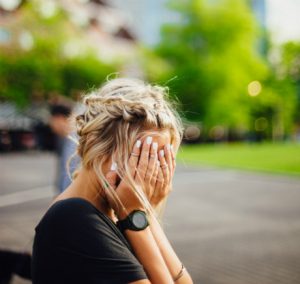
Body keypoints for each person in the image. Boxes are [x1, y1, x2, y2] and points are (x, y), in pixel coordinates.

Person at [31, 78, 193, 284]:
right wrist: (135, 218)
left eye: (161, 159)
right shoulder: (73, 217)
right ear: (98, 148)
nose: (151, 173)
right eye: (143, 157)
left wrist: (143, 214)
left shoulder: (118, 210)